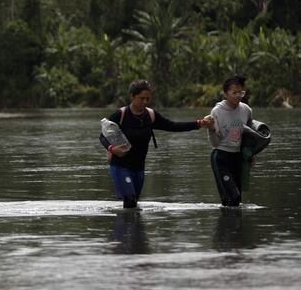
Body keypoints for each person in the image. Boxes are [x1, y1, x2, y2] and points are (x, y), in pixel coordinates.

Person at [99, 79, 213, 209]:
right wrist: (112, 148)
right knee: (130, 201)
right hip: (120, 166)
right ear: (132, 96)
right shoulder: (121, 114)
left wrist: (199, 124)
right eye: (141, 98)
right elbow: (103, 136)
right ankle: (125, 228)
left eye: (148, 99)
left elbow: (173, 126)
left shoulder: (151, 115)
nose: (145, 102)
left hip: (139, 168)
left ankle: (133, 229)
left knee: (133, 204)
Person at [206, 74, 255, 207]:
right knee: (233, 196)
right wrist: (211, 129)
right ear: (226, 93)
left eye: (241, 92)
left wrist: (250, 156)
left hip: (237, 157)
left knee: (236, 201)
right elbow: (214, 143)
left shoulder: (246, 110)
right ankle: (226, 225)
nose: (238, 96)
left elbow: (249, 136)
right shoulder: (217, 112)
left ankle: (230, 226)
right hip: (221, 157)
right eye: (234, 93)